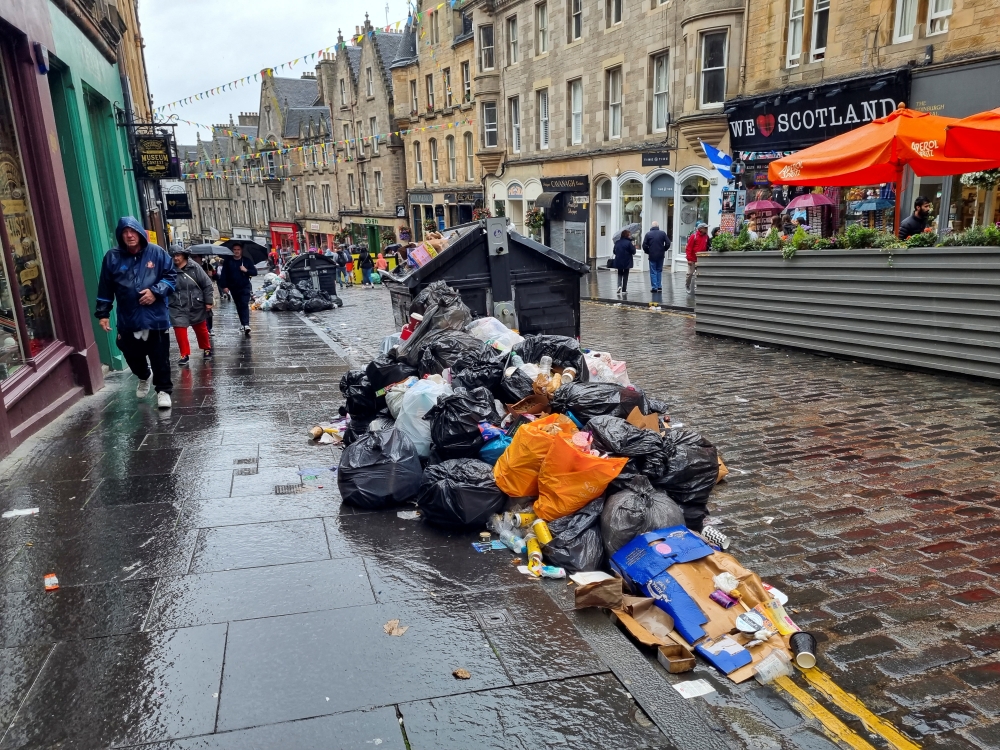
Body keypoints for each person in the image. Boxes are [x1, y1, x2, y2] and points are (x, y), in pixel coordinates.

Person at [95, 217, 176, 409]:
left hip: (155, 317)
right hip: (128, 317)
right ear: (120, 235)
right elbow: (105, 288)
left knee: (159, 355)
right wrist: (103, 313)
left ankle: (163, 390)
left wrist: (155, 292)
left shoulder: (156, 253)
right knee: (127, 349)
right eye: (125, 232)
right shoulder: (112, 257)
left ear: (140, 233)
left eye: (132, 231)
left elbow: (171, 277)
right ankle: (143, 375)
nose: (129, 235)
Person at [168, 246, 214, 365]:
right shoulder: (169, 269)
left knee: (201, 329)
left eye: (178, 255)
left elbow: (207, 284)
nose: (176, 258)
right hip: (177, 304)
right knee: (179, 330)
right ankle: (184, 354)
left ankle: (206, 349)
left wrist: (208, 302)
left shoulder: (194, 267)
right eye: (173, 256)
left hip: (196, 303)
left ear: (183, 255)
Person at [219, 243, 257, 335]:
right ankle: (243, 324)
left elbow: (255, 272)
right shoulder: (228, 261)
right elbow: (224, 274)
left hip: (245, 286)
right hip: (233, 287)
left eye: (238, 249)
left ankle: (246, 324)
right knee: (239, 305)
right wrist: (224, 286)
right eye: (235, 249)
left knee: (244, 304)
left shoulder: (246, 261)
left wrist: (246, 270)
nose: (236, 251)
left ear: (241, 251)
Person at [641, 221, 671, 293]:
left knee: (653, 271)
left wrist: (648, 251)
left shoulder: (648, 234)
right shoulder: (662, 233)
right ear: (658, 226)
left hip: (652, 255)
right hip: (660, 255)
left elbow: (644, 245)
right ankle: (659, 286)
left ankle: (654, 287)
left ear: (651, 227)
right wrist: (664, 249)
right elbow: (668, 243)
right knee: (659, 270)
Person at [684, 222, 709, 292]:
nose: (707, 229)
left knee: (699, 274)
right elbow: (688, 248)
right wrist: (689, 259)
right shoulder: (693, 236)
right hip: (692, 258)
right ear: (701, 229)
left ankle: (697, 287)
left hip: (701, 259)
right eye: (705, 228)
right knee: (690, 273)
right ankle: (687, 285)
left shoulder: (706, 236)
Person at [611, 229, 636, 295]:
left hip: (618, 260)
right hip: (627, 261)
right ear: (627, 235)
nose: (630, 236)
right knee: (625, 275)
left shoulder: (617, 242)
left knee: (619, 273)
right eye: (629, 235)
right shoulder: (629, 243)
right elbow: (633, 252)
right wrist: (633, 245)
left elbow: (614, 251)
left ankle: (619, 286)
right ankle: (624, 290)